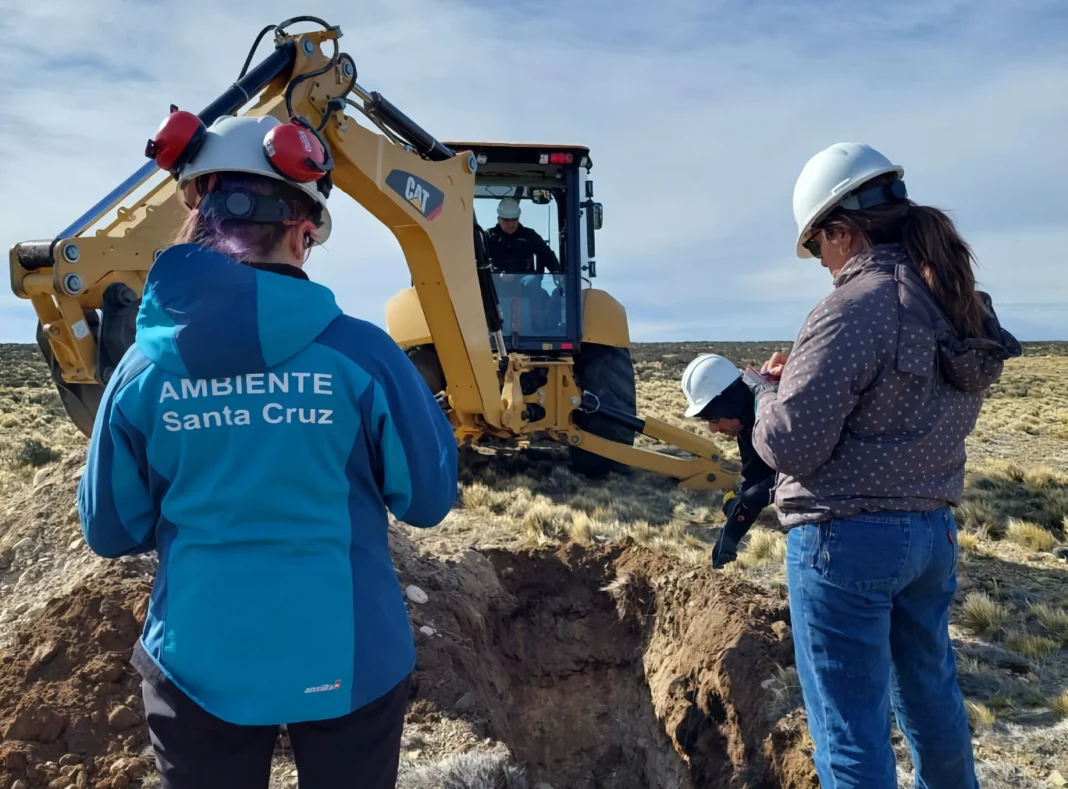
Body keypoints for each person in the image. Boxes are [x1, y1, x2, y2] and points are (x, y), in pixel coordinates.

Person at [77, 112, 459, 789]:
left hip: (197, 662)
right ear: (303, 230)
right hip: (352, 656)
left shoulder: (140, 372)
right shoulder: (364, 355)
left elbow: (110, 530)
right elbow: (427, 501)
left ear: (199, 212)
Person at [751, 142, 1022, 788]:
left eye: (818, 248)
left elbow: (790, 444)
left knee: (851, 737)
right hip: (931, 535)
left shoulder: (853, 308)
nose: (821, 263)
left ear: (841, 231)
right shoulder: (956, 303)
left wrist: (766, 394)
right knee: (933, 702)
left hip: (845, 542)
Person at [680, 353, 776, 568]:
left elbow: (804, 470)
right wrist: (731, 533)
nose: (712, 429)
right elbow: (755, 478)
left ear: (729, 404)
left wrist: (758, 494)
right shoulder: (747, 421)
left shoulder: (777, 414)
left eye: (713, 418)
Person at [485, 197, 561, 274]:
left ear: (518, 218)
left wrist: (556, 271)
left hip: (525, 283)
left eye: (514, 219)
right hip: (493, 283)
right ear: (499, 219)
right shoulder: (487, 237)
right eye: (506, 220)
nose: (510, 224)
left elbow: (547, 255)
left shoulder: (529, 235)